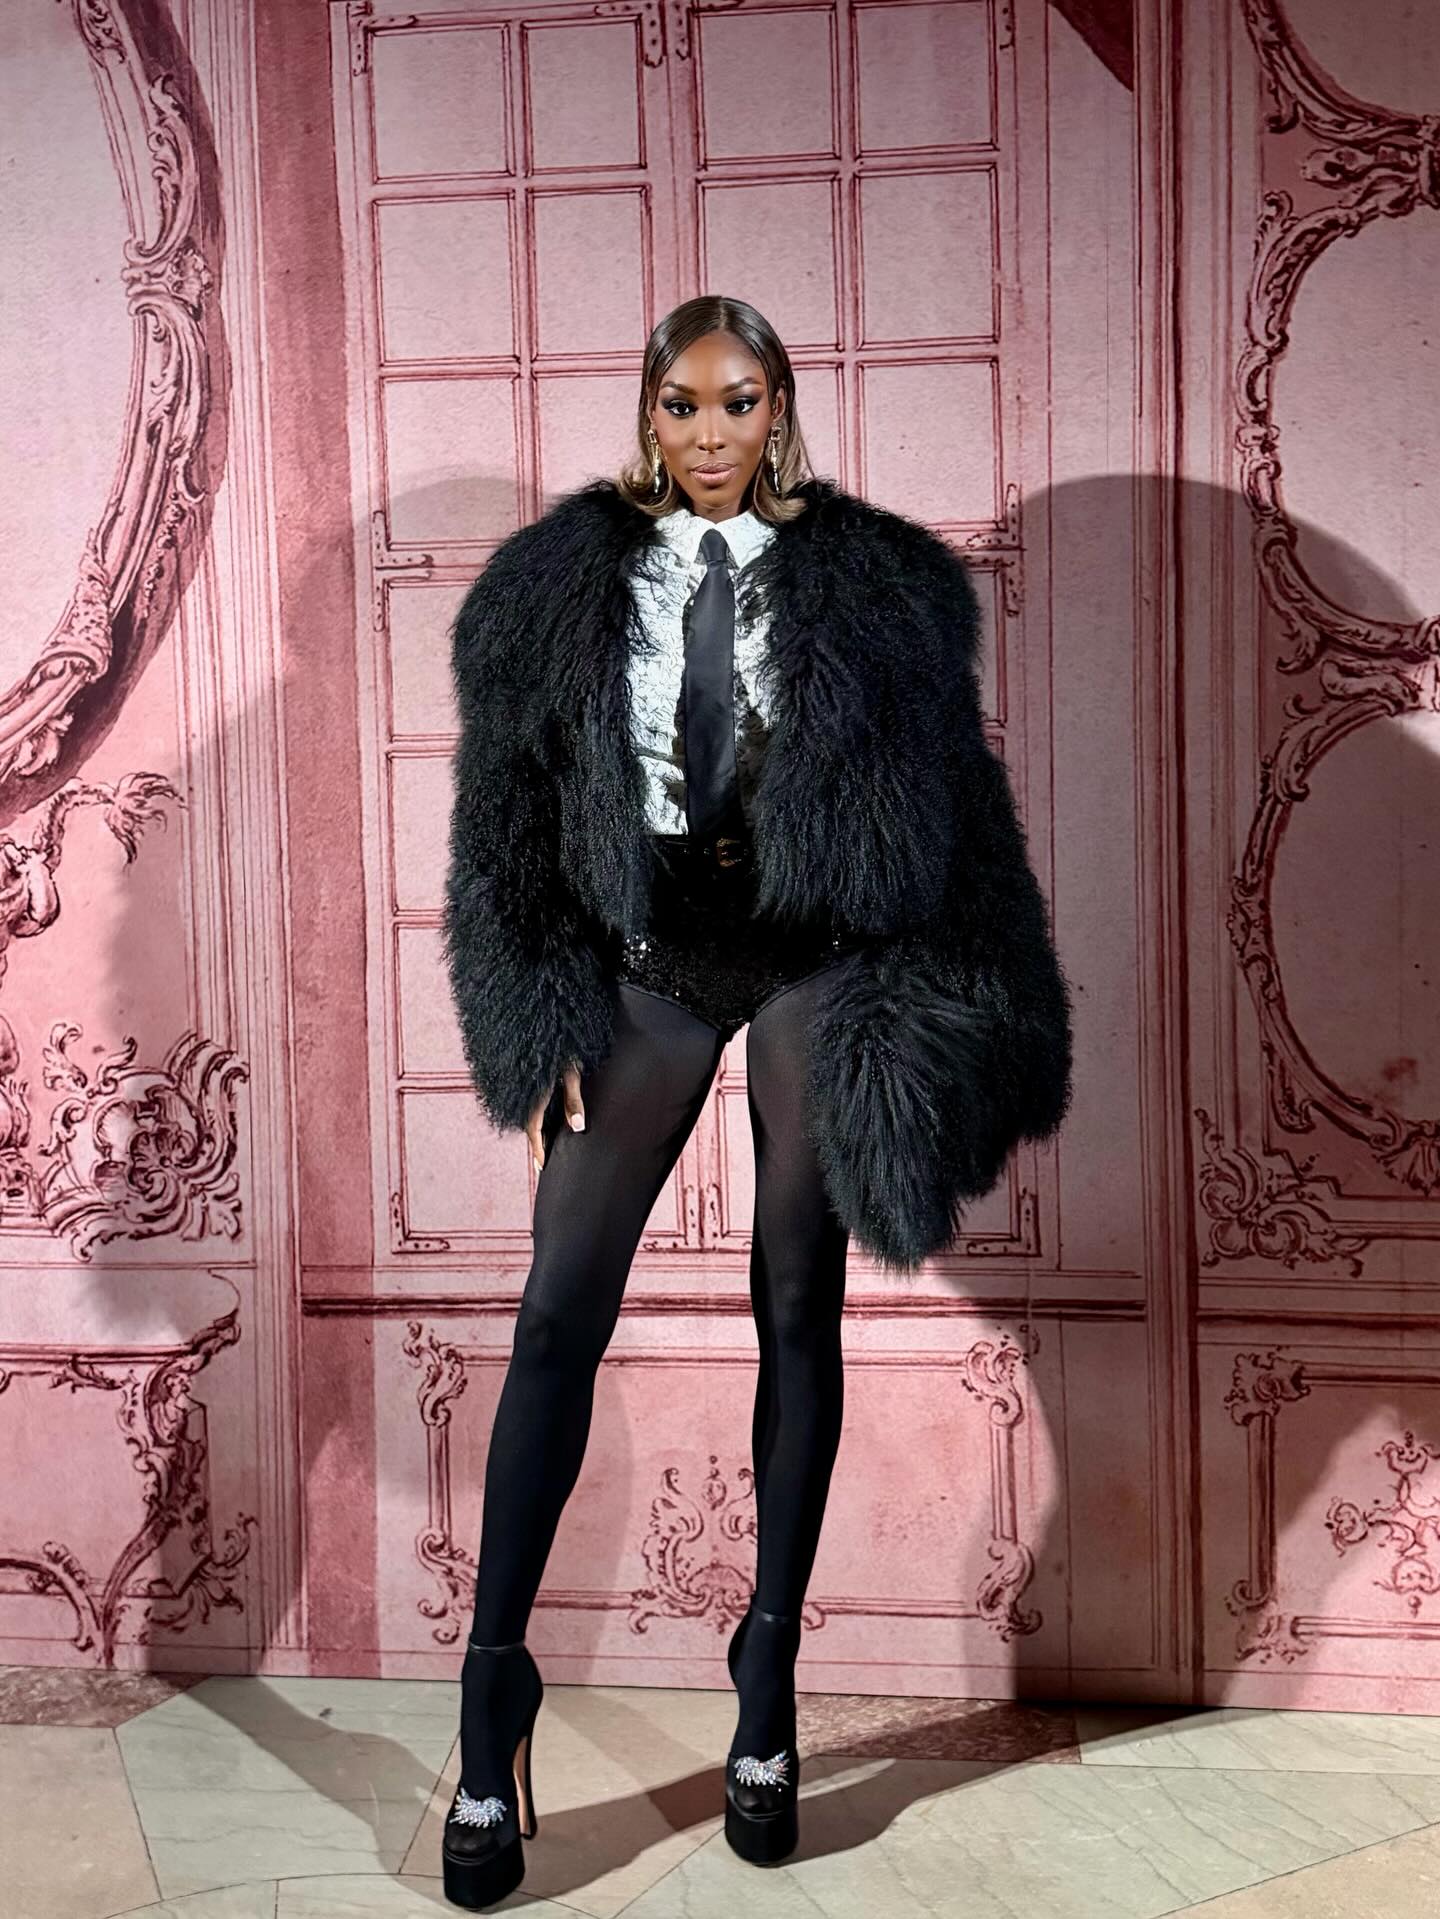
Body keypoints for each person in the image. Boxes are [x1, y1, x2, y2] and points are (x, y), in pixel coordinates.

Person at [438, 294, 1073, 1909]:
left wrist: (951, 1015)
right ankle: (493, 1692)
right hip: (647, 964)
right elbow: (501, 828)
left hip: (810, 963)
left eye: (739, 403)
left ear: (779, 408)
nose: (711, 434)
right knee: (555, 1314)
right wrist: (533, 1011)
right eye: (683, 405)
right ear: (647, 415)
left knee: (799, 1306)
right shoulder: (551, 588)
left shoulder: (880, 585)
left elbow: (961, 821)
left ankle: (767, 1669)